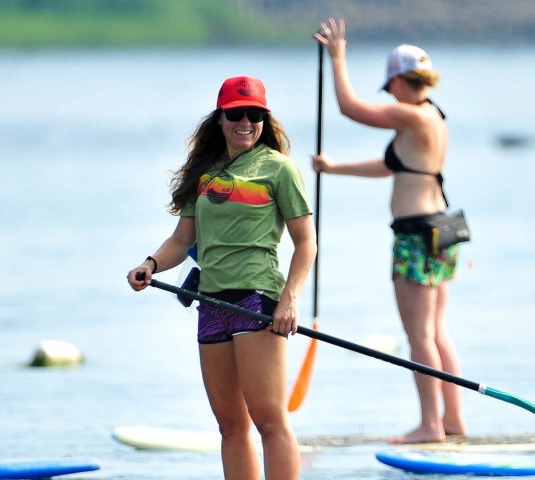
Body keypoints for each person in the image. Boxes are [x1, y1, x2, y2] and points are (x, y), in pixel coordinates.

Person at [127, 76, 316, 479]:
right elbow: (182, 240)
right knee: (230, 425)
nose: (245, 122)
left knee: (269, 419)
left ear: (265, 119)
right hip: (211, 303)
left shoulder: (279, 170)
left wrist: (291, 299)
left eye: (255, 114)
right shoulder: (205, 174)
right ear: (221, 118)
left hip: (257, 300)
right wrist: (151, 264)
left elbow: (306, 243)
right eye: (236, 114)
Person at [312, 19, 467, 444]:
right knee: (436, 332)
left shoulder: (409, 113)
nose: (389, 94)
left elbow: (349, 108)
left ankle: (430, 426)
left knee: (419, 336)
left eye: (389, 86)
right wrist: (336, 167)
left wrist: (338, 59)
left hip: (417, 235)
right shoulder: (432, 116)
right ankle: (453, 420)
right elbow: (393, 167)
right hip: (444, 229)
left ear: (400, 81)